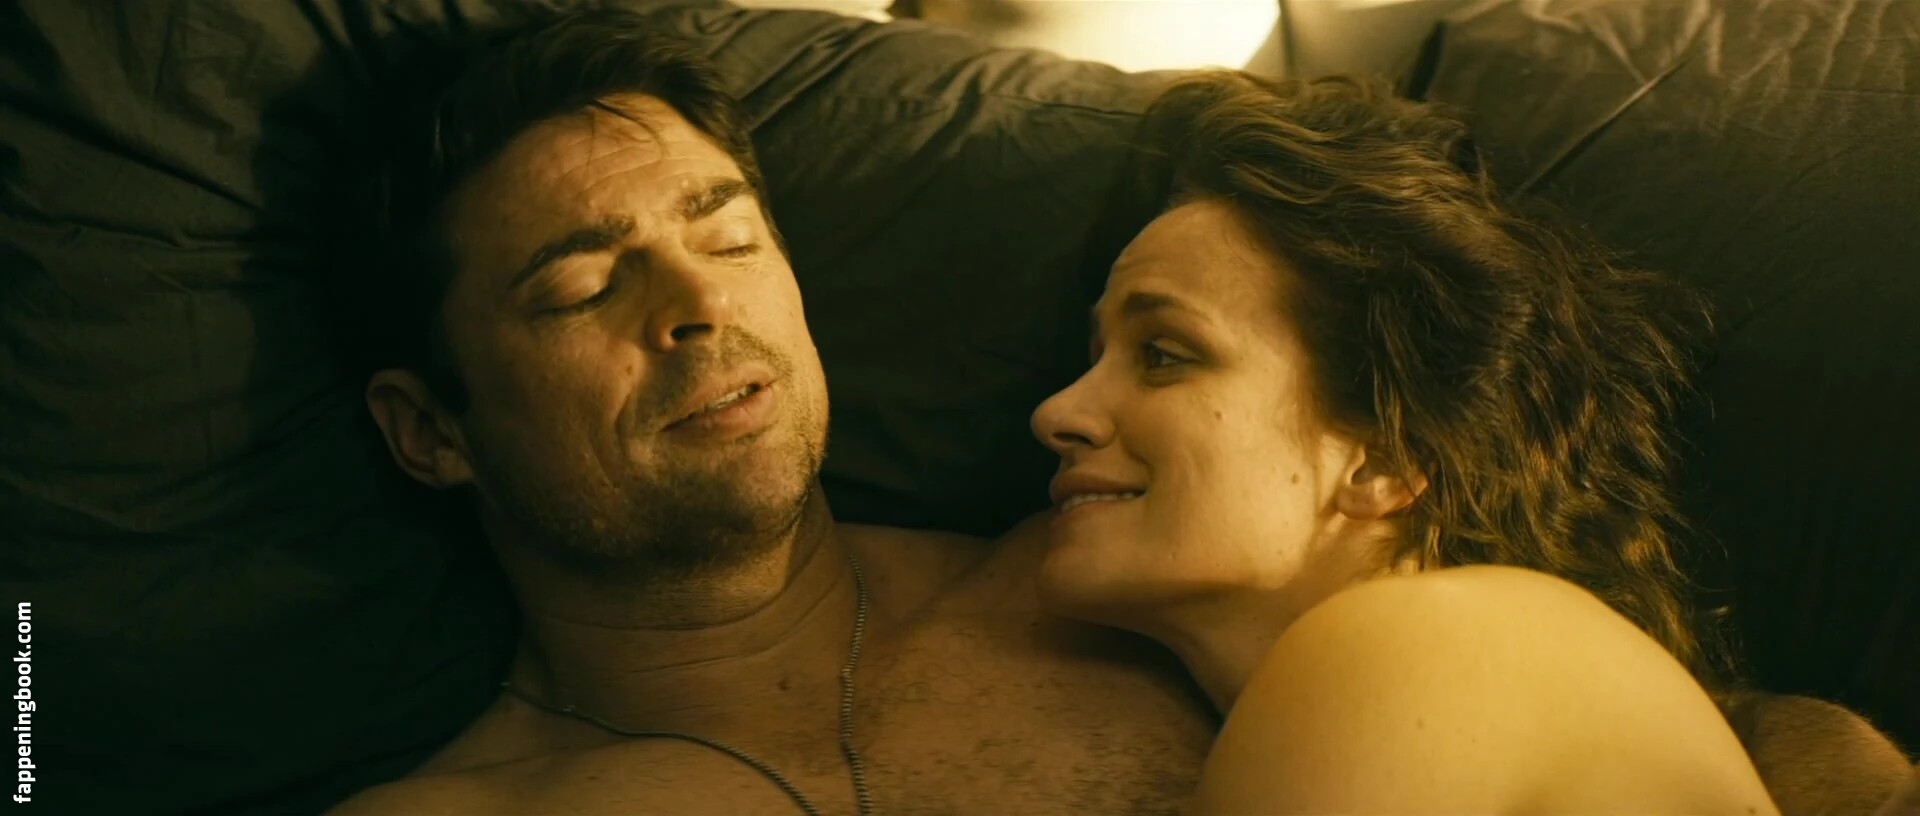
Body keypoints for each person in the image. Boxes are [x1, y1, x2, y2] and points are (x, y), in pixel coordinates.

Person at [327, 9, 1217, 815]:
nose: (703, 301)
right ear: (431, 431)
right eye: (584, 289)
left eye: (730, 242)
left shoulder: (1121, 600)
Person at [1025, 69, 1912, 814]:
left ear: (1384, 454)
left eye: (1165, 355)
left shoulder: (1408, 638)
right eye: (1093, 357)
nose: (1056, 412)